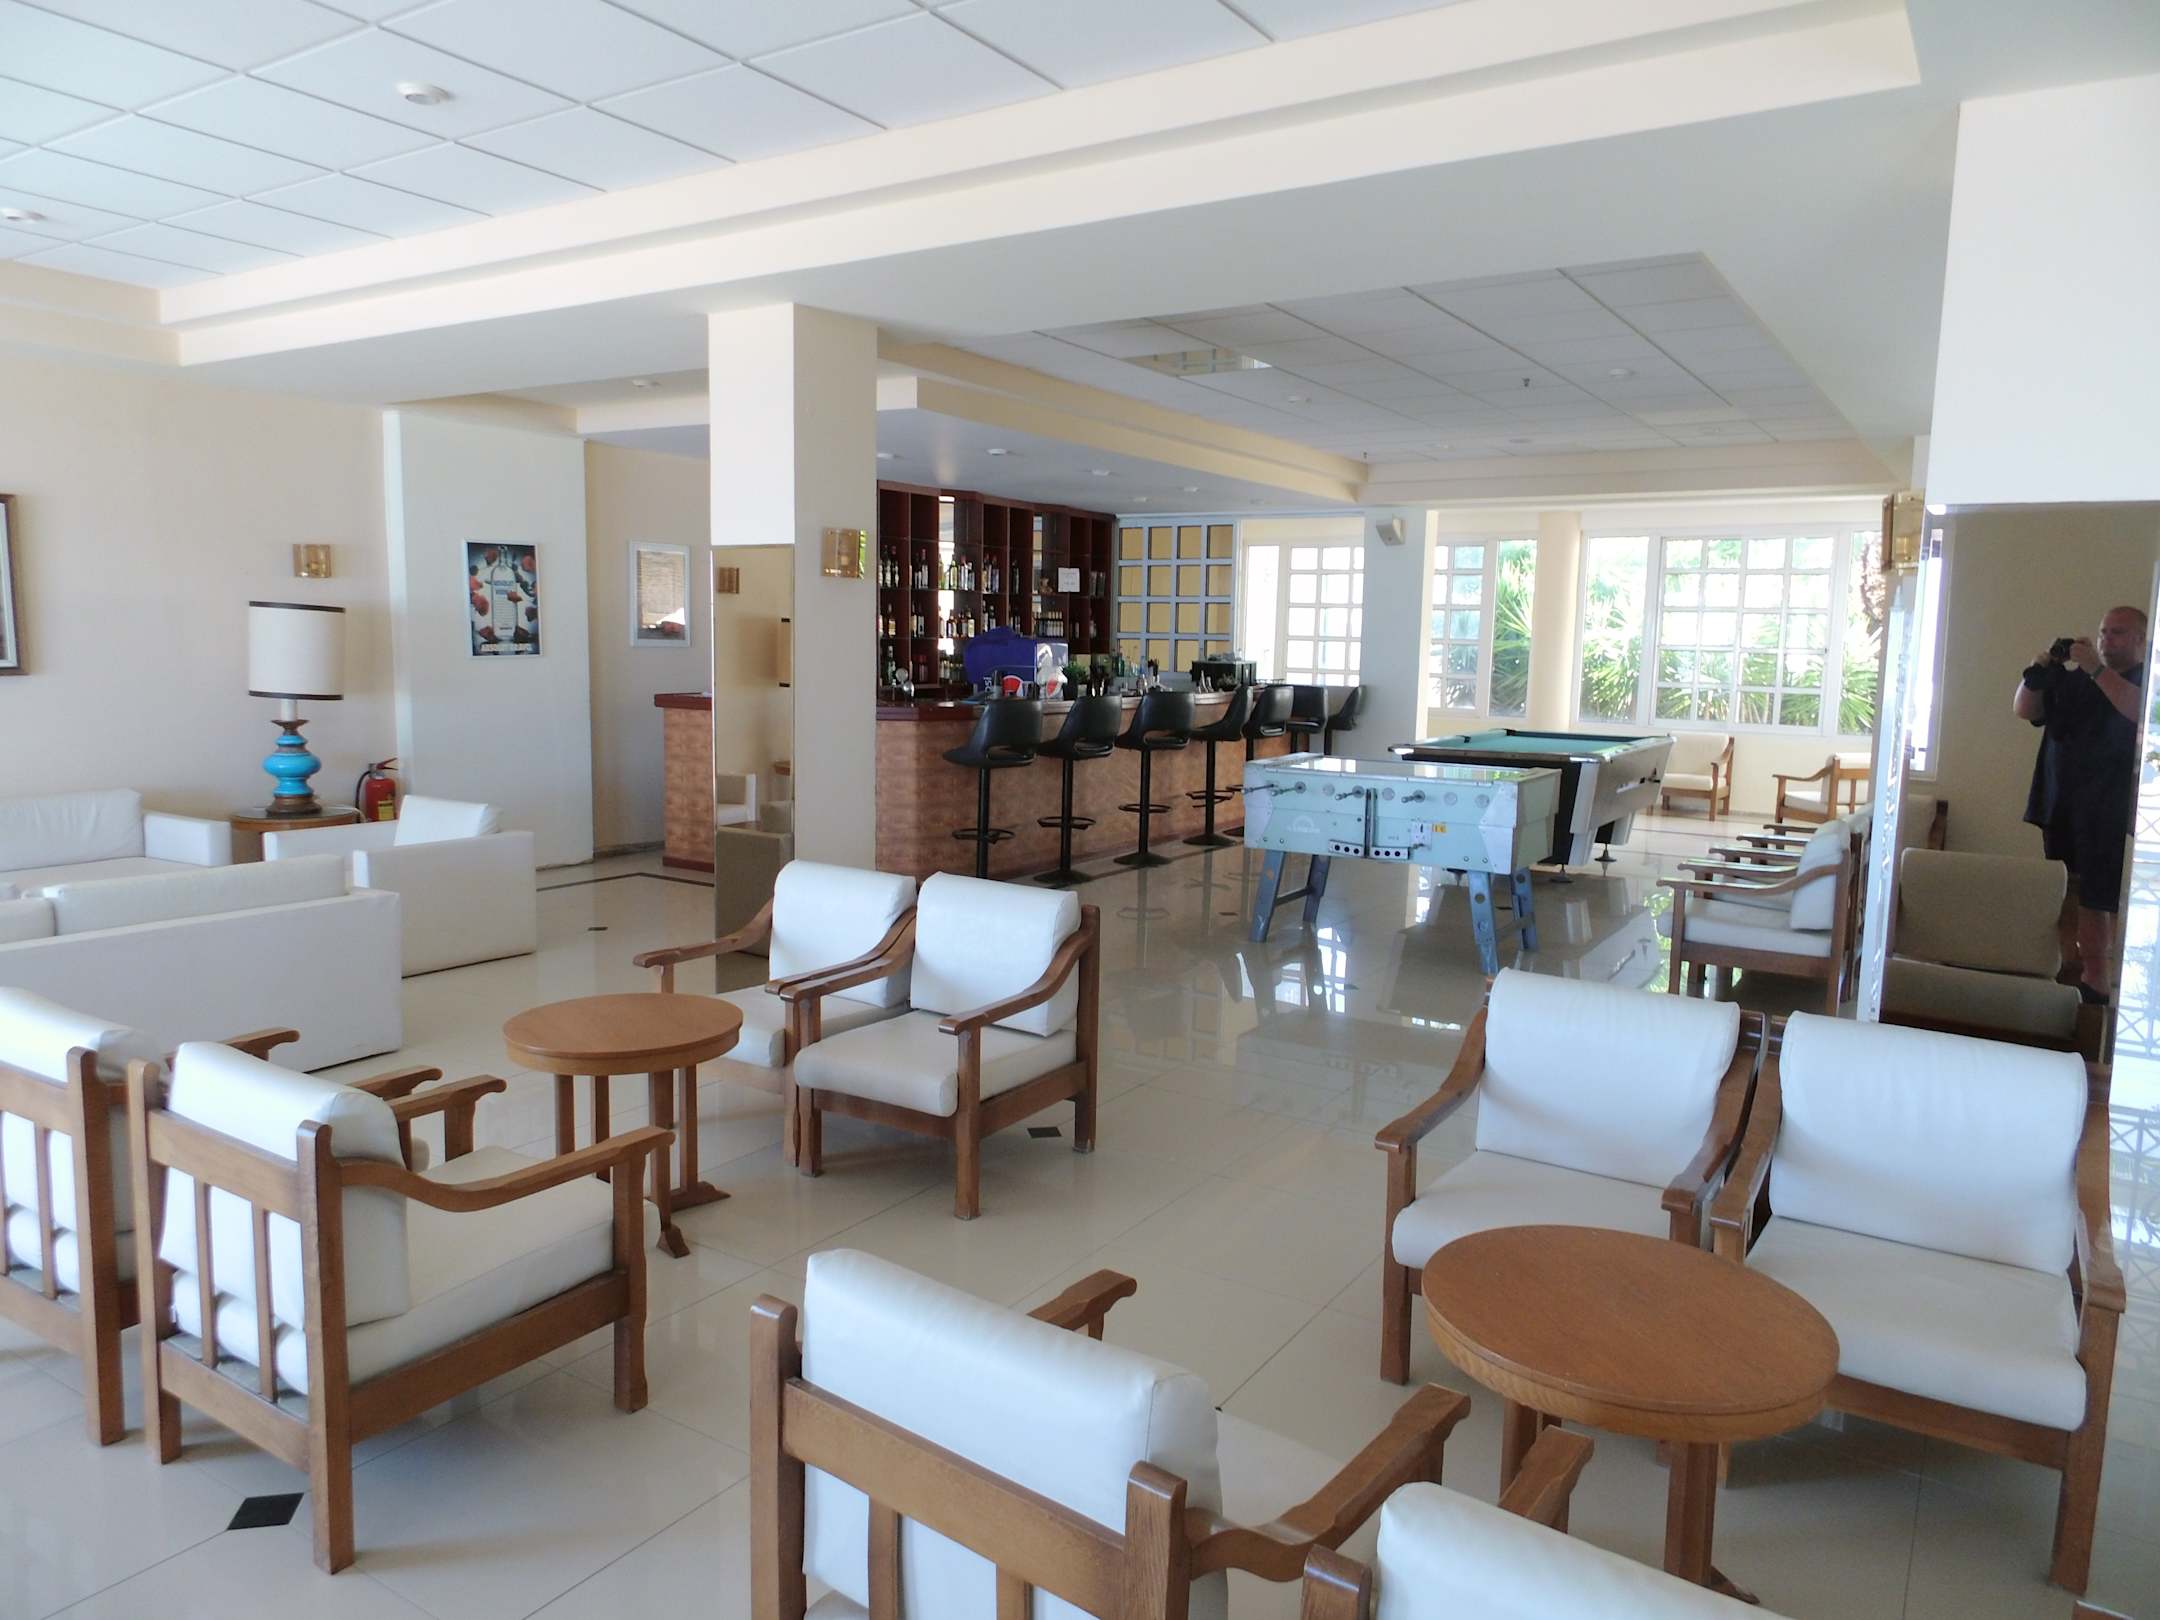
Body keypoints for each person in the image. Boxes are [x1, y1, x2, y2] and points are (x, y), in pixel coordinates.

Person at [2013, 604, 2149, 1001]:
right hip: (2059, 800)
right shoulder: (2074, 680)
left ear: (2141, 639)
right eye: (2104, 632)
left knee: (2097, 896)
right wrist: (2039, 669)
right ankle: (2064, 972)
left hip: (2107, 806)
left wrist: (2096, 669)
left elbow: (2140, 712)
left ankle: (2096, 980)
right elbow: (2024, 709)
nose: (2107, 639)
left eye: (2118, 633)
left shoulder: (2145, 680)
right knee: (2063, 889)